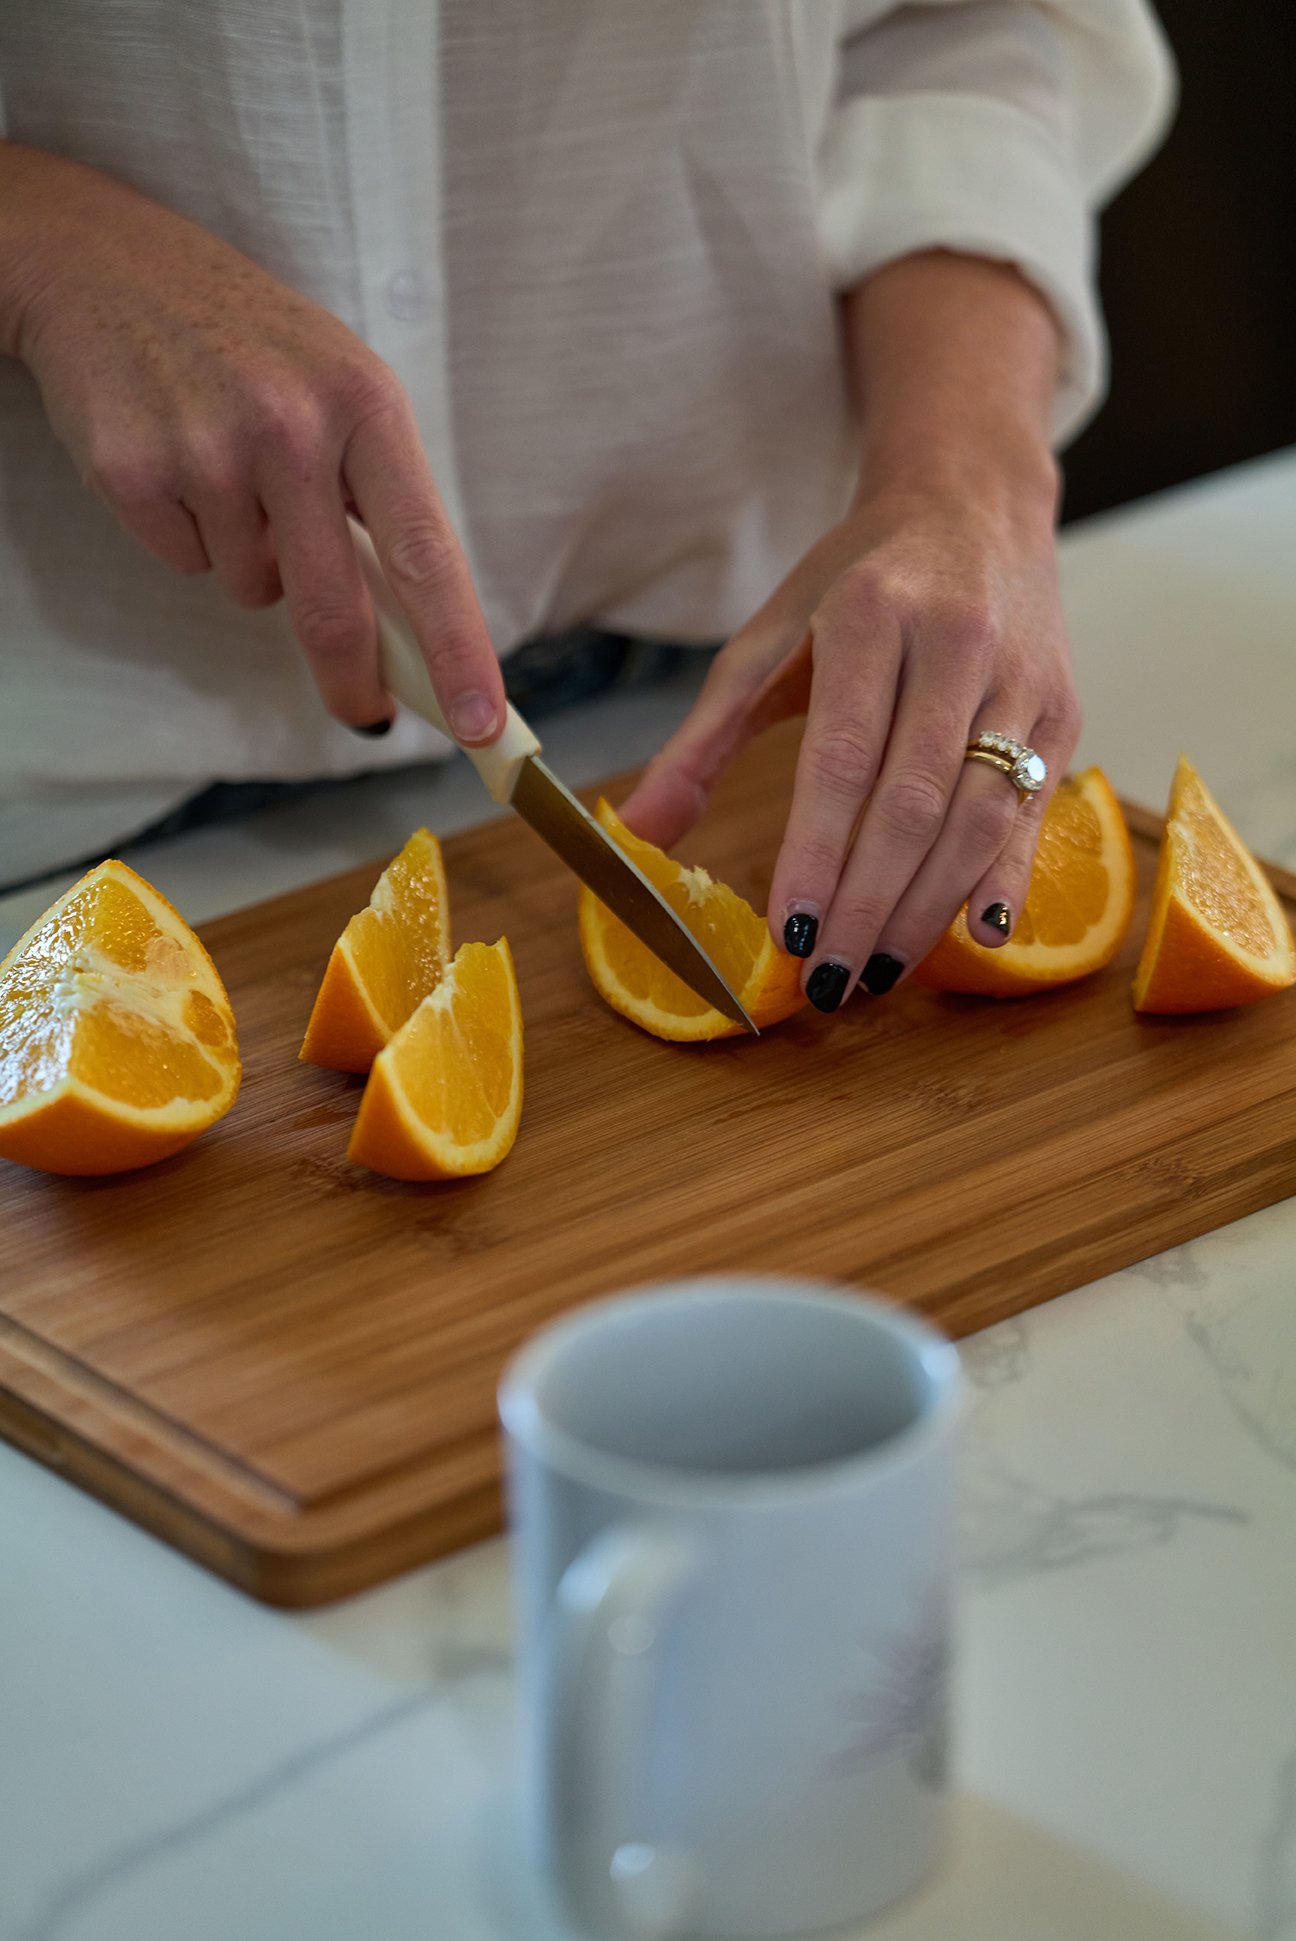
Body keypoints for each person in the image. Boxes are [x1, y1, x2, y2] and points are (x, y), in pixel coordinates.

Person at [0, 2, 1173, 1008]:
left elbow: (950, 25)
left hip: (724, 703)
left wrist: (970, 474)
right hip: (70, 794)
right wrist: (43, 239)